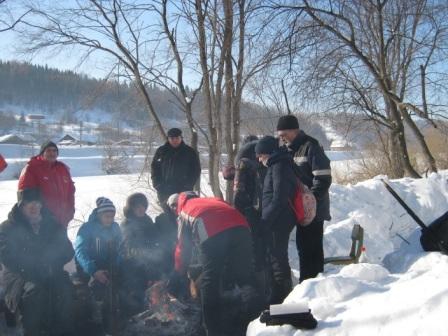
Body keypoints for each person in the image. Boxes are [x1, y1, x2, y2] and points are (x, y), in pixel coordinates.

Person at [167, 192, 259, 336]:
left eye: (174, 206)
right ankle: (257, 318)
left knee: (210, 279)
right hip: (242, 227)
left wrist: (178, 272)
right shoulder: (213, 199)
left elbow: (183, 247)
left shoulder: (184, 211)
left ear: (178, 204)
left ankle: (212, 328)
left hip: (213, 231)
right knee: (244, 276)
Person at [0, 188, 75, 336]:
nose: (35, 208)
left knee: (64, 289)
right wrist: (34, 265)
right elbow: (6, 256)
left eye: (38, 204)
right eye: (30, 204)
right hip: (19, 276)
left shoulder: (52, 224)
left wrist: (52, 262)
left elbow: (67, 250)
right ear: (21, 206)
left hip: (51, 270)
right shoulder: (8, 227)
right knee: (34, 291)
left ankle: (62, 331)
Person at [277, 115, 332, 283]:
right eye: (279, 133)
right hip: (300, 210)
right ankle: (306, 284)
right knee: (303, 248)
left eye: (284, 132)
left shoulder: (311, 147)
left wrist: (310, 202)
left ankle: (313, 285)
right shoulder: (287, 150)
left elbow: (323, 178)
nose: (281, 137)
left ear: (294, 130)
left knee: (312, 250)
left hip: (314, 211)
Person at [255, 136, 297, 305]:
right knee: (276, 256)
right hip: (277, 218)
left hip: (279, 220)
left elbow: (279, 197)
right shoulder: (276, 164)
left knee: (278, 257)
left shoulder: (279, 166)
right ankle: (279, 292)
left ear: (268, 153)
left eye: (260, 155)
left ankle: (283, 296)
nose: (259, 159)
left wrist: (265, 220)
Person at [74, 197, 122, 333]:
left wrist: (115, 265)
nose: (110, 219)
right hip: (88, 268)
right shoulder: (87, 228)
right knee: (96, 291)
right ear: (99, 215)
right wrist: (93, 271)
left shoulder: (115, 227)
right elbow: (80, 251)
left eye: (112, 216)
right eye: (107, 216)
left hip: (108, 266)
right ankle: (97, 323)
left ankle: (116, 320)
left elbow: (120, 248)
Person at [120, 193, 170, 316]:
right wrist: (147, 255)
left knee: (161, 282)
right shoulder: (127, 224)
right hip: (133, 265)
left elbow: (157, 239)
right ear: (131, 208)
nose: (141, 209)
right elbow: (129, 248)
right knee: (140, 292)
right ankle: (141, 314)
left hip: (151, 262)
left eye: (143, 206)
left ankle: (159, 310)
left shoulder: (147, 220)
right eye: (137, 206)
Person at [233, 137, 268, 292]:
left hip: (249, 210)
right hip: (265, 209)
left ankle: (256, 285)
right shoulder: (265, 161)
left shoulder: (243, 163)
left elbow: (238, 192)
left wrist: (237, 211)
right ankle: (267, 283)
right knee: (264, 246)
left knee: (252, 246)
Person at [18, 141, 75, 228]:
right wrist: (37, 217)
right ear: (42, 153)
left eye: (54, 151)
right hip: (41, 222)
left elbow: (70, 192)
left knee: (61, 241)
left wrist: (70, 211)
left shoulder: (62, 169)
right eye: (48, 150)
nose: (52, 153)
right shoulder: (32, 168)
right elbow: (25, 197)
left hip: (62, 220)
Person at [151, 128, 201, 210]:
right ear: (168, 139)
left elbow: (195, 170)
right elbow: (155, 169)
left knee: (183, 215)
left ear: (181, 138)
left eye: (177, 138)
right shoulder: (161, 151)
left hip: (183, 191)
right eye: (172, 138)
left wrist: (187, 186)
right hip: (164, 190)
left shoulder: (189, 152)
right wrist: (157, 185)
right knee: (168, 217)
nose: (175, 140)